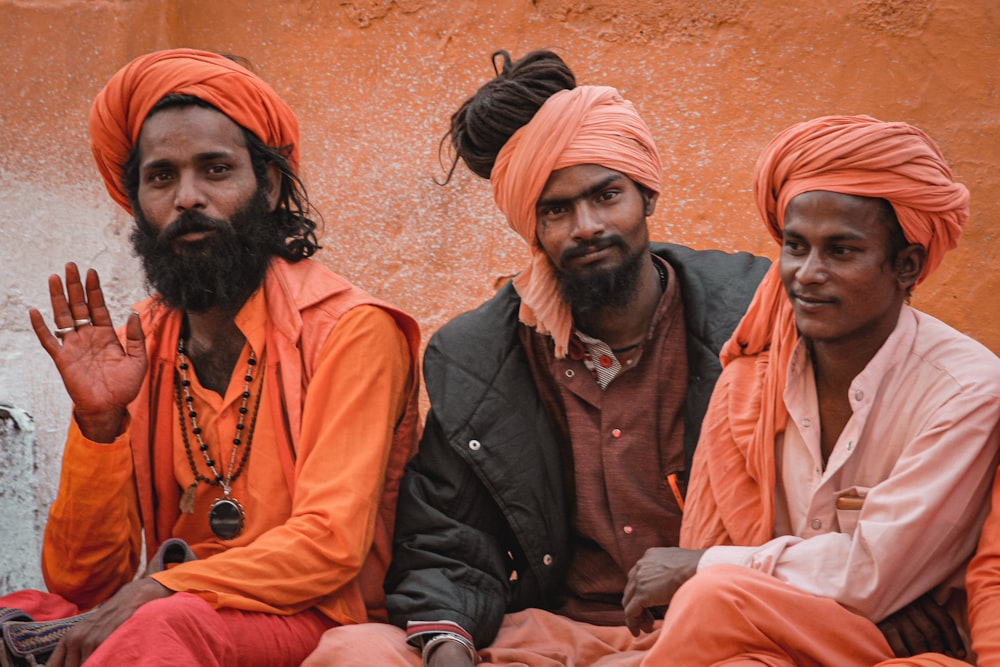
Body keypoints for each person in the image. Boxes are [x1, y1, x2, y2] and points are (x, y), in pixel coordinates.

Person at [301, 49, 769, 667]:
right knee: (354, 652)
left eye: (607, 196)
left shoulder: (752, 319)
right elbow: (449, 540)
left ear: (647, 195)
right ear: (532, 227)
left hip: (720, 627)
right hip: (557, 637)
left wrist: (713, 569)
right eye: (556, 210)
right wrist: (447, 644)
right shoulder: (480, 356)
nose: (587, 226)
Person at [2, 48, 421, 666]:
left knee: (157, 629)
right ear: (138, 200)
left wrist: (162, 587)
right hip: (172, 609)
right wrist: (100, 428)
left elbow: (329, 546)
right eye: (161, 176)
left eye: (216, 170)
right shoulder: (145, 341)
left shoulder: (350, 330)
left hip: (313, 617)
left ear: (269, 185)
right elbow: (82, 581)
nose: (187, 198)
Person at [621, 115, 1000, 666]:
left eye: (841, 251)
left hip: (903, 651)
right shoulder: (752, 382)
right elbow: (720, 550)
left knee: (710, 596)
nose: (807, 273)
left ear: (907, 265)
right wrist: (806, 591)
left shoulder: (965, 392)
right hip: (774, 635)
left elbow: (871, 576)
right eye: (796, 247)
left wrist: (707, 566)